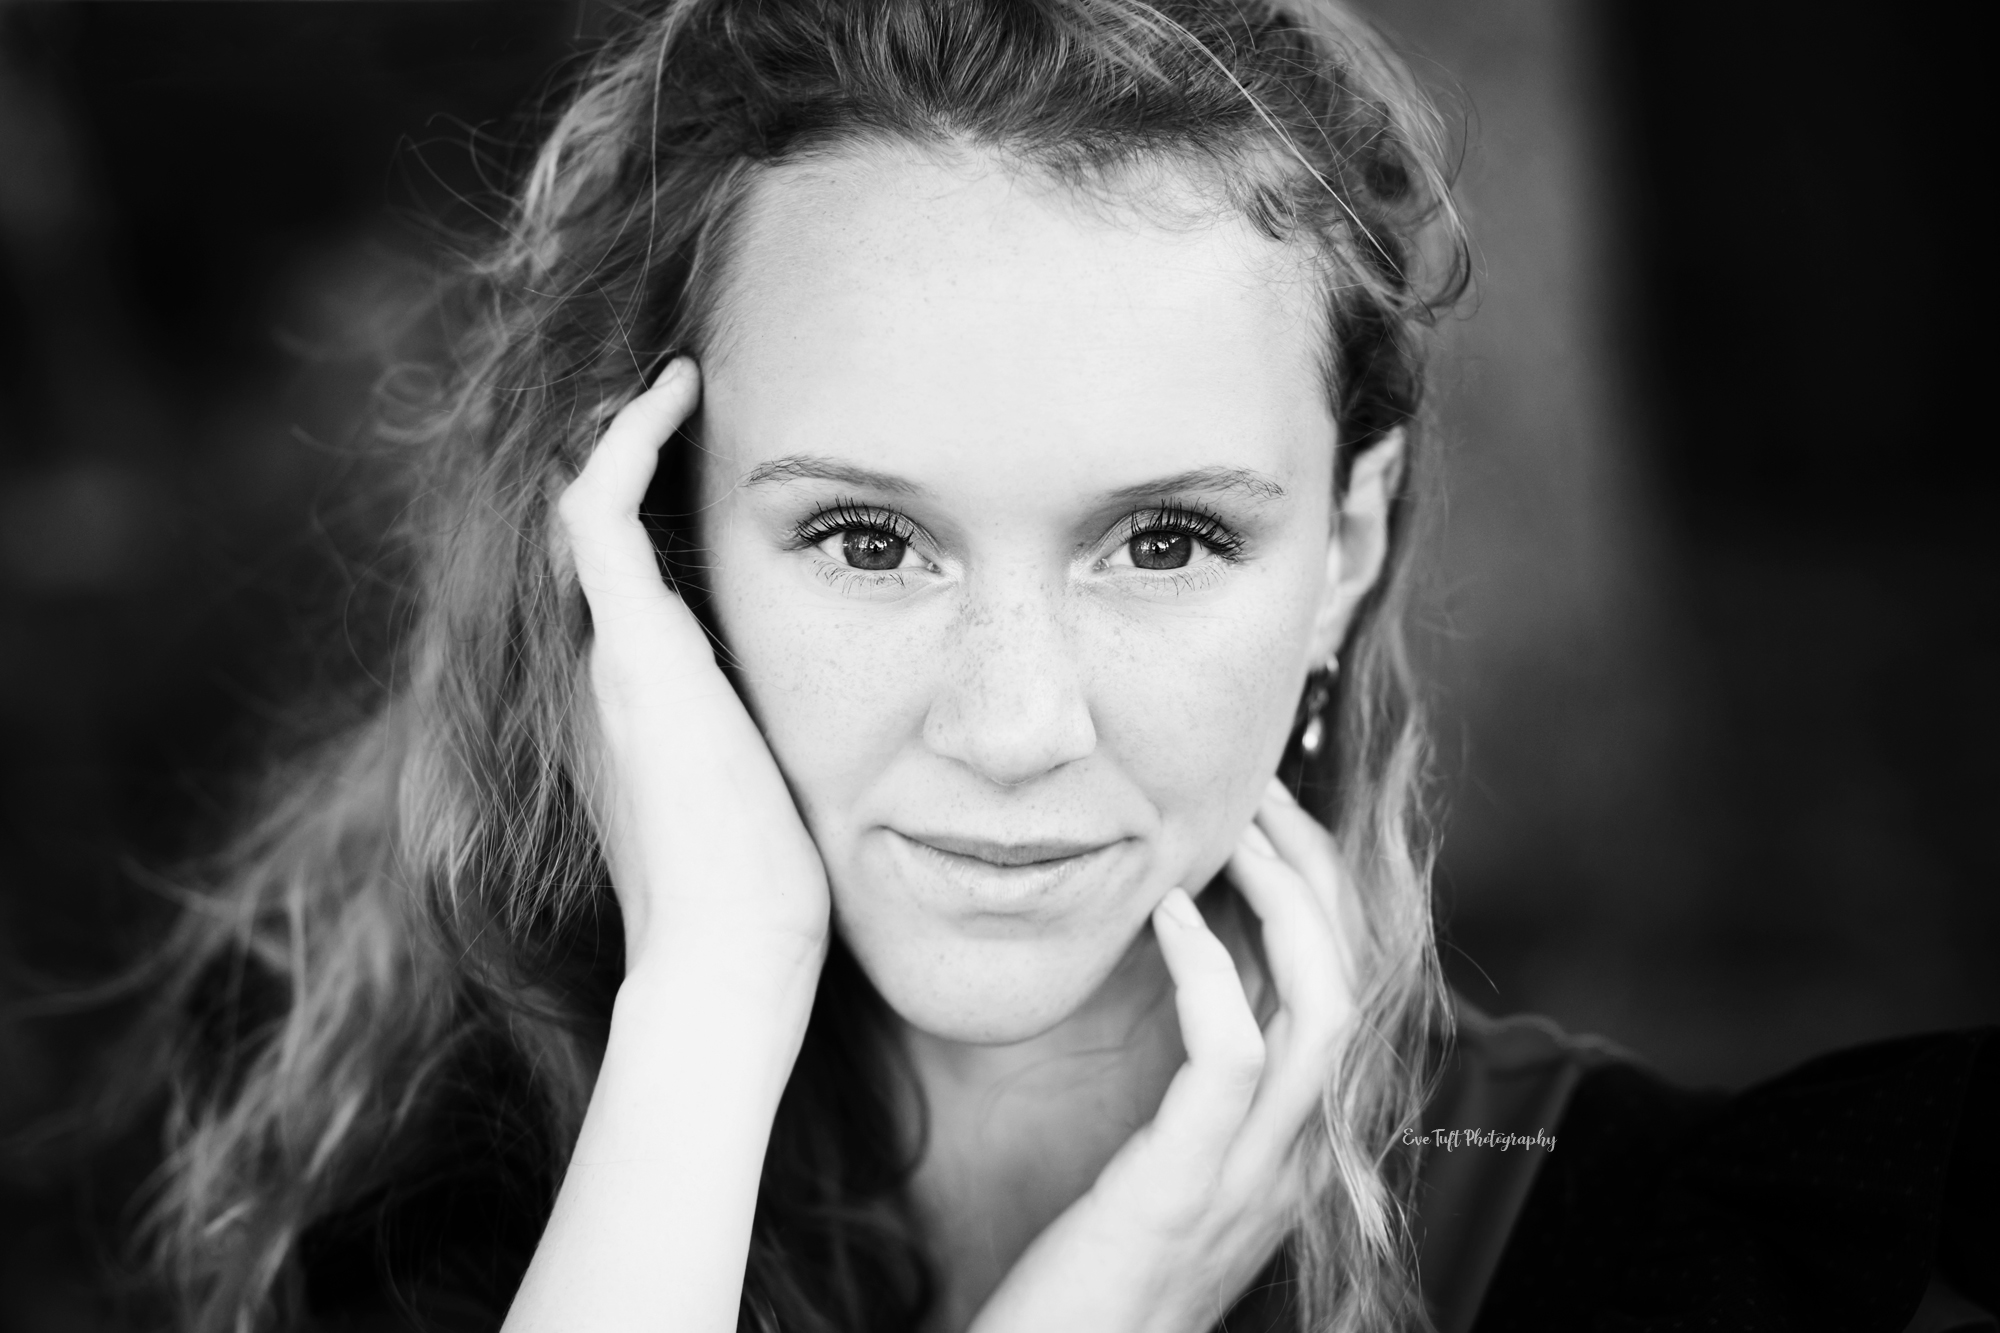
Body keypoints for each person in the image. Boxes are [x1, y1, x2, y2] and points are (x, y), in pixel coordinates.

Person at [123, 2, 1994, 1331]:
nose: (1015, 727)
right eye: (870, 540)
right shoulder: (467, 1212)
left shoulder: (1676, 1251)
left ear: (1343, 548)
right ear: (665, 554)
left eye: (1163, 540)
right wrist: (707, 1014)